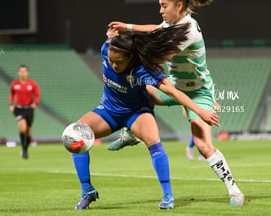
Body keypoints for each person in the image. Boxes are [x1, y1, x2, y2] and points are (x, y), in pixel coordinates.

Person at [107, 0, 244, 206]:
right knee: (137, 90)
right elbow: (156, 30)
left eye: (164, 5)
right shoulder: (173, 23)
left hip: (199, 91)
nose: (160, 10)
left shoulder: (188, 30)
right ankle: (132, 132)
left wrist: (124, 45)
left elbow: (160, 54)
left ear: (178, 5)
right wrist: (128, 27)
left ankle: (234, 190)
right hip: (177, 85)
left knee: (202, 144)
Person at [71, 23, 219, 210]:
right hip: (109, 110)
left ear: (131, 58)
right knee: (78, 135)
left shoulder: (144, 70)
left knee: (154, 141)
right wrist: (111, 35)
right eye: (111, 60)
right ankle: (87, 191)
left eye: (119, 62)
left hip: (137, 112)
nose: (113, 65)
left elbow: (174, 92)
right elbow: (111, 40)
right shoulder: (107, 49)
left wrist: (201, 111)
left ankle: (167, 195)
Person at [9, 65, 40, 159]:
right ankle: (23, 149)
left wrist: (35, 103)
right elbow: (11, 94)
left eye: (24, 71)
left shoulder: (32, 83)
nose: (23, 73)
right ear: (18, 73)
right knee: (22, 128)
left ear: (27, 72)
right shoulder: (14, 84)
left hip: (29, 109)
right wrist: (11, 104)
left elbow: (37, 94)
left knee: (28, 132)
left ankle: (25, 149)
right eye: (21, 71)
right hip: (18, 109)